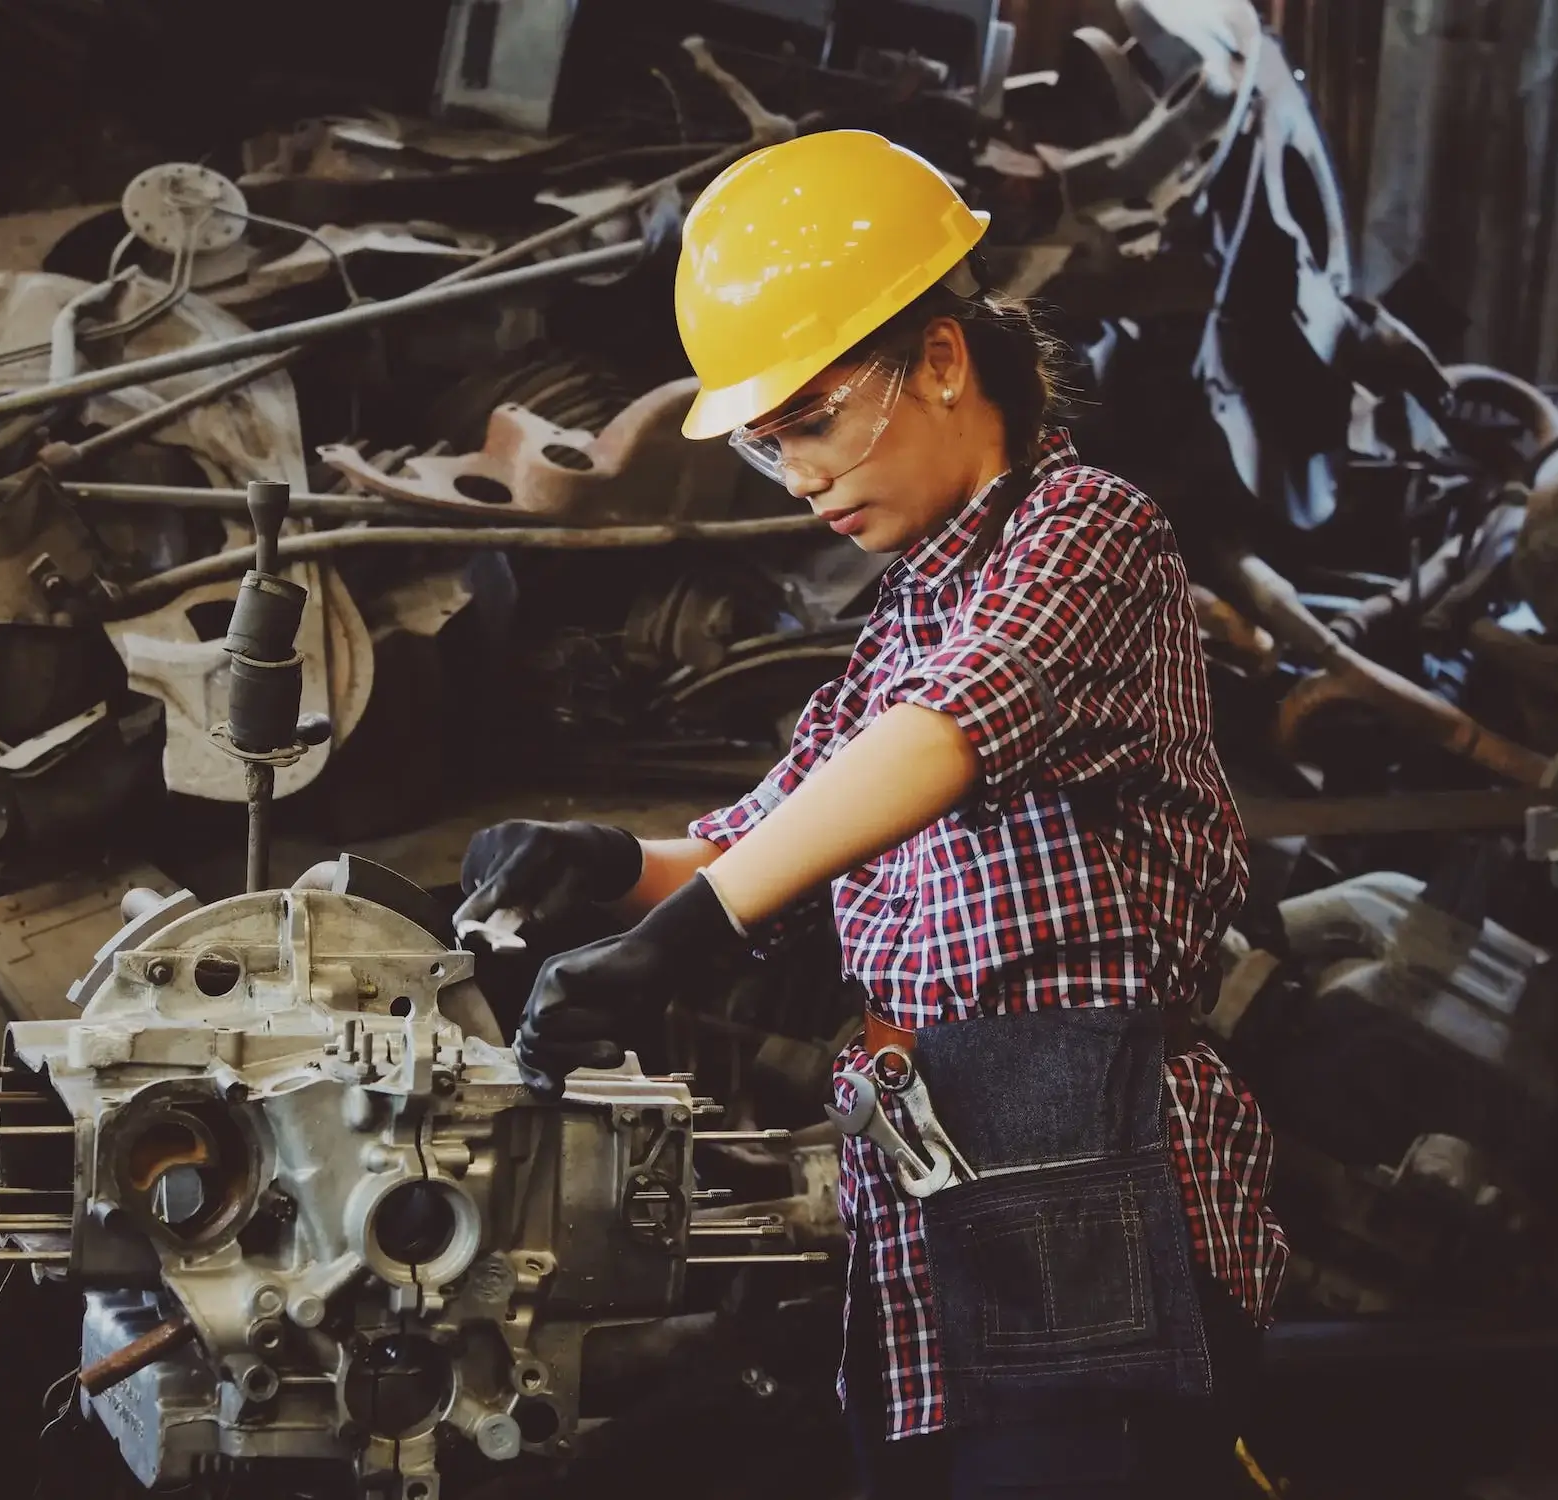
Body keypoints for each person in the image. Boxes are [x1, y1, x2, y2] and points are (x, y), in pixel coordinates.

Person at [453, 130, 1287, 1499]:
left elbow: (945, 735)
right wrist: (601, 866)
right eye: (771, 444)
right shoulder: (906, 615)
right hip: (930, 1174)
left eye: (816, 420)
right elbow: (762, 835)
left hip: (1085, 1166)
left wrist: (697, 933)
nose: (798, 478)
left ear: (944, 360)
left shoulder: (1086, 532)